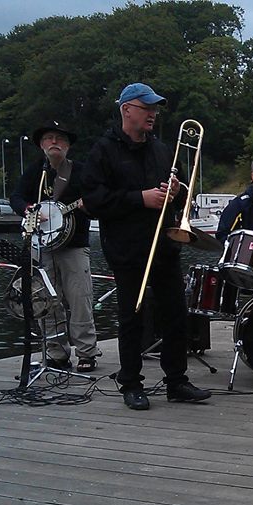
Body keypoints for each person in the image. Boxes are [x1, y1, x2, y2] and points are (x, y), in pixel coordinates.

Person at [82, 82, 211, 410]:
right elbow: (94, 200)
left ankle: (176, 381)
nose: (153, 114)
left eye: (155, 109)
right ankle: (131, 383)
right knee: (132, 317)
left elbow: (180, 192)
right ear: (126, 110)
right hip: (127, 247)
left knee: (176, 315)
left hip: (164, 244)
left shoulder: (161, 150)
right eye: (146, 108)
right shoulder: (103, 151)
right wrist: (139, 198)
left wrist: (177, 192)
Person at [9, 121, 100, 373]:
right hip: (42, 246)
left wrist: (88, 206)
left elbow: (96, 200)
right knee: (47, 302)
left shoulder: (80, 171)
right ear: (42, 145)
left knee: (80, 299)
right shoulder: (36, 171)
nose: (54, 143)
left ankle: (87, 353)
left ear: (68, 146)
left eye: (60, 139)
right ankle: (56, 353)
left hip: (74, 246)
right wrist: (29, 210)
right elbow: (16, 197)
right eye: (49, 138)